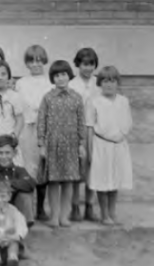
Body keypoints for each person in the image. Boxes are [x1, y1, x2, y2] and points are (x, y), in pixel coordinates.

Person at [37, 60, 86, 228]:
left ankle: (65, 216)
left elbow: (81, 122)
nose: (60, 78)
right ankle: (54, 216)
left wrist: (81, 143)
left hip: (71, 144)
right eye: (57, 76)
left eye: (63, 74)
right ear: (52, 78)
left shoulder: (77, 98)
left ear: (69, 76)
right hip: (53, 144)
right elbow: (41, 122)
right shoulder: (48, 98)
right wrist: (41, 144)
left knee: (68, 181)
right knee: (54, 181)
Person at [86, 66, 133, 226]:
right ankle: (104, 214)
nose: (109, 85)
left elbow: (127, 123)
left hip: (119, 145)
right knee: (102, 180)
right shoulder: (94, 102)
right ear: (100, 83)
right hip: (101, 145)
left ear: (117, 83)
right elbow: (90, 127)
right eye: (105, 81)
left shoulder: (123, 101)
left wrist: (121, 136)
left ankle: (113, 212)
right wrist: (90, 150)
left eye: (112, 81)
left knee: (115, 180)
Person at [14, 45, 53, 221]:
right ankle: (27, 210)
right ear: (27, 63)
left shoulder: (50, 82)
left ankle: (41, 208)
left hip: (45, 130)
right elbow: (18, 107)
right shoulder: (21, 83)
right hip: (27, 130)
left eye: (39, 60)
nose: (35, 64)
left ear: (44, 61)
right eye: (31, 60)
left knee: (43, 168)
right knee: (28, 168)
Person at [69, 48, 102, 222]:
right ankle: (74, 206)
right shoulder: (72, 84)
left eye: (91, 64)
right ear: (78, 64)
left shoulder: (99, 83)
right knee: (77, 170)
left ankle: (90, 205)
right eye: (84, 64)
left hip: (95, 130)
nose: (88, 68)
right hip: (77, 130)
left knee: (93, 169)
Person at [0, 135, 36, 227]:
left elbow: (30, 184)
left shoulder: (20, 170)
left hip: (15, 208)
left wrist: (9, 183)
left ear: (14, 153)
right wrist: (4, 188)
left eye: (7, 153)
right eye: (0, 153)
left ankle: (22, 229)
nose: (4, 156)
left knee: (25, 195)